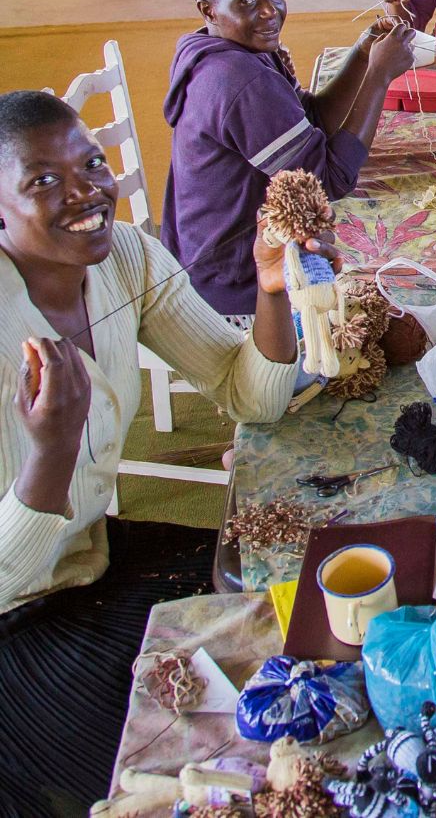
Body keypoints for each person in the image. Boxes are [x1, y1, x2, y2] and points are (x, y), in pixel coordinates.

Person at [0, 90, 331, 816]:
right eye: (42, 181)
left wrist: (270, 292)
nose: (85, 190)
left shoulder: (124, 258)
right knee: (222, 773)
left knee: (306, 636)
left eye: (91, 163)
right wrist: (49, 456)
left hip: (96, 560)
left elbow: (251, 395)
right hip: (15, 631)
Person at [161, 0, 414, 317]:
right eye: (247, 1)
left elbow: (310, 119)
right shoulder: (237, 80)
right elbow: (328, 182)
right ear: (208, 9)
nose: (269, 12)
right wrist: (379, 77)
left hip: (202, 256)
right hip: (236, 282)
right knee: (395, 290)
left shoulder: (229, 49)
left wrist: (362, 56)